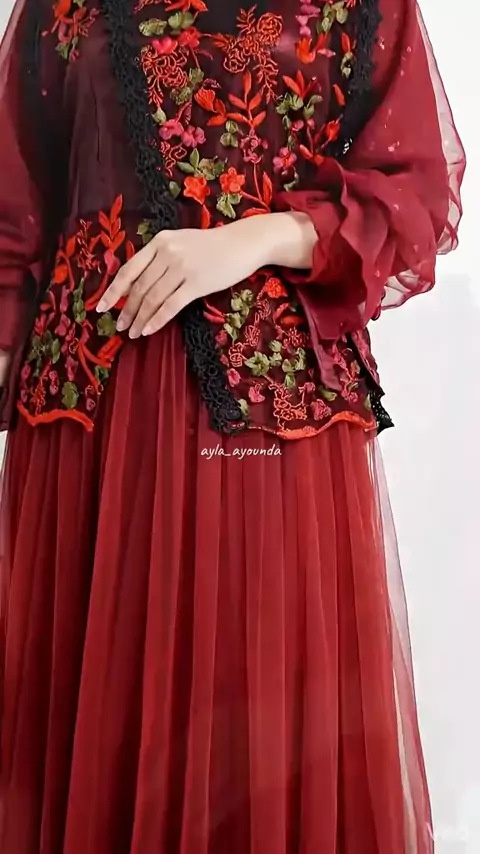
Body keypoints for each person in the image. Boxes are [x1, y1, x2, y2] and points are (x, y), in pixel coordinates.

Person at [0, 0, 465, 851]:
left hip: (274, 418)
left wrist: (254, 239)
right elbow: (13, 205)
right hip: (93, 422)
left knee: (262, 731)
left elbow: (416, 194)